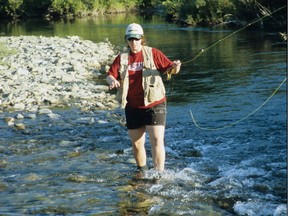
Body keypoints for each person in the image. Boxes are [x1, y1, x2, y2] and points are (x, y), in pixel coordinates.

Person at [106, 23, 181, 173]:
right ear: (127, 40)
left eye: (137, 39)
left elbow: (171, 69)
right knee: (137, 144)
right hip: (132, 106)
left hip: (155, 103)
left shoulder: (153, 53)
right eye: (130, 39)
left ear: (142, 39)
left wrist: (176, 66)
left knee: (157, 140)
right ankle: (142, 171)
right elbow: (110, 75)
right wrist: (112, 81)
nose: (134, 42)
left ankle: (159, 174)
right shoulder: (121, 58)